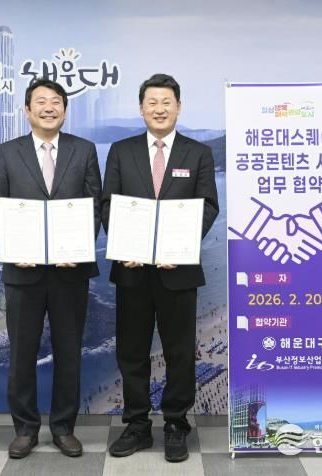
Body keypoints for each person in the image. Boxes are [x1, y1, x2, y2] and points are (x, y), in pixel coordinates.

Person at [101, 73, 219, 463]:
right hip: (132, 269)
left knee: (180, 352)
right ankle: (136, 425)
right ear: (141, 108)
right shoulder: (121, 151)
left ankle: (175, 425)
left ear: (178, 107)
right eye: (152, 102)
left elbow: (208, 206)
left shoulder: (198, 153)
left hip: (178, 271)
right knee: (131, 351)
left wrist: (180, 248)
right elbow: (108, 204)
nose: (159, 109)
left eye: (166, 102)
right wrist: (123, 245)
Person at [0, 78, 101, 459]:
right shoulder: (7, 153)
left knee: (69, 352)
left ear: (65, 110)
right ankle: (25, 429)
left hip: (70, 271)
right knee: (22, 354)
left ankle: (64, 428)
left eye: (56, 102)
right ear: (27, 110)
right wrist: (14, 247)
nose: (49, 107)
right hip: (23, 271)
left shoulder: (84, 150)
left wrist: (80, 248)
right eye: (41, 101)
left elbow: (94, 206)